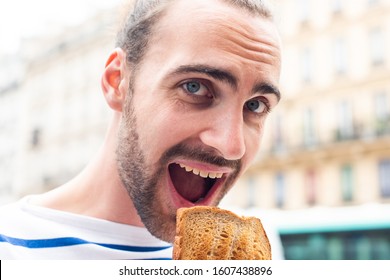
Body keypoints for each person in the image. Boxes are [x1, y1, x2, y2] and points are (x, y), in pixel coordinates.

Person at [0, 0, 282, 259]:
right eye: (194, 87)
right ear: (117, 81)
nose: (233, 145)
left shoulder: (252, 254)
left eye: (256, 106)